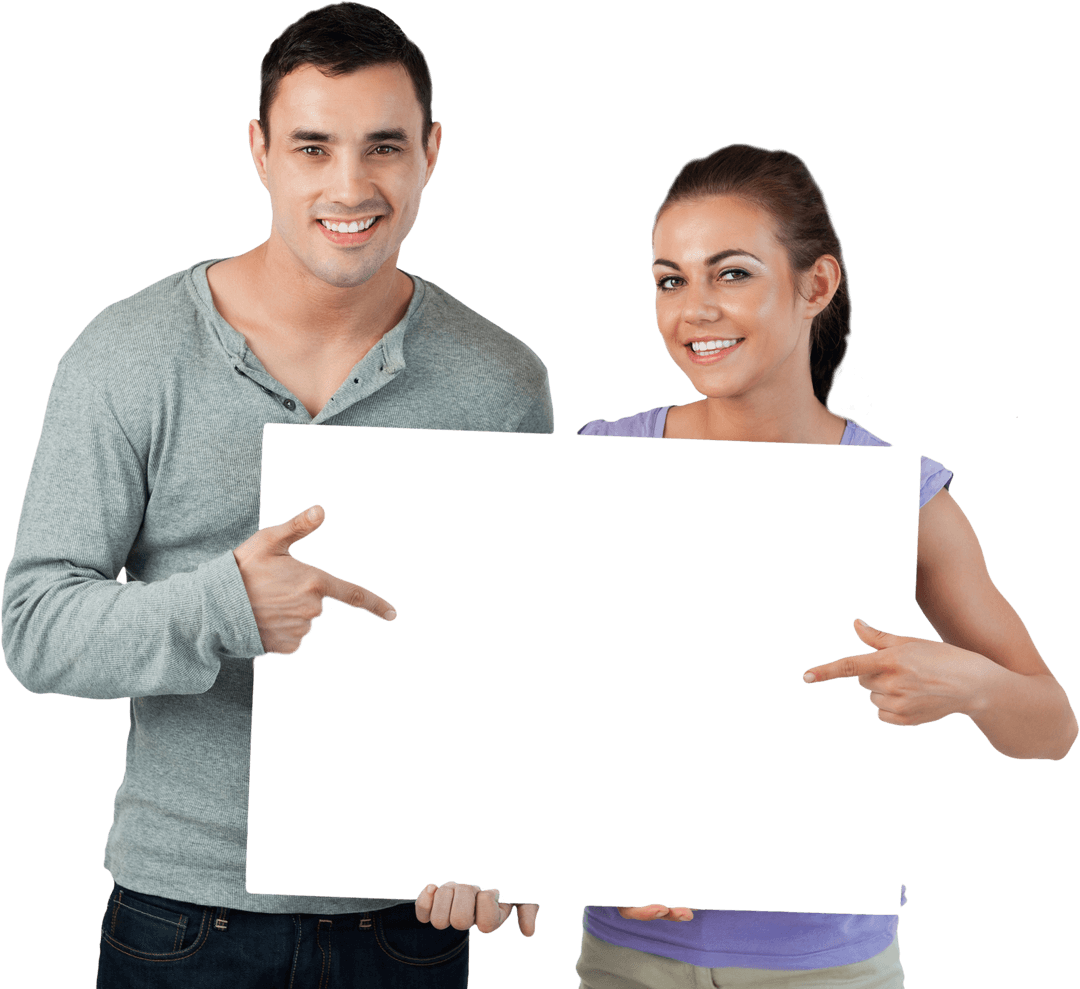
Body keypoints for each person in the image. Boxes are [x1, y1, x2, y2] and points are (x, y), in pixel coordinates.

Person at [1, 4, 546, 987]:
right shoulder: (127, 353)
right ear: (260, 152)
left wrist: (497, 830)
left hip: (406, 922)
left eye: (384, 146)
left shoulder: (503, 381)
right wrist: (225, 606)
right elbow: (35, 628)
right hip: (180, 916)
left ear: (432, 151)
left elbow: (520, 657)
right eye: (312, 147)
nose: (350, 185)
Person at [575, 144, 1076, 987]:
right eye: (670, 280)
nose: (694, 309)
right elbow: (544, 702)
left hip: (825, 971)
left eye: (730, 274)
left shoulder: (900, 495)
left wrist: (967, 684)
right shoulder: (603, 463)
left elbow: (1053, 728)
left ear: (817, 285)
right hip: (628, 957)